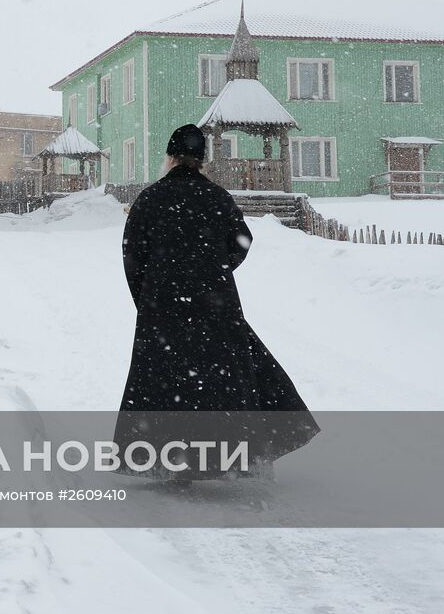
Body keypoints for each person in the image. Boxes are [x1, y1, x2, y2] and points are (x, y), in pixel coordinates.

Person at [115, 124, 318, 479]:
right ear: (201, 161)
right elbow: (242, 242)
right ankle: (231, 455)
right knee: (221, 381)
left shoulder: (150, 199)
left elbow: (132, 255)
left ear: (170, 157)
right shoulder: (217, 197)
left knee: (167, 383)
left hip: (163, 308)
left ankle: (169, 461)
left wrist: (148, 298)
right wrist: (214, 272)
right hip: (215, 306)